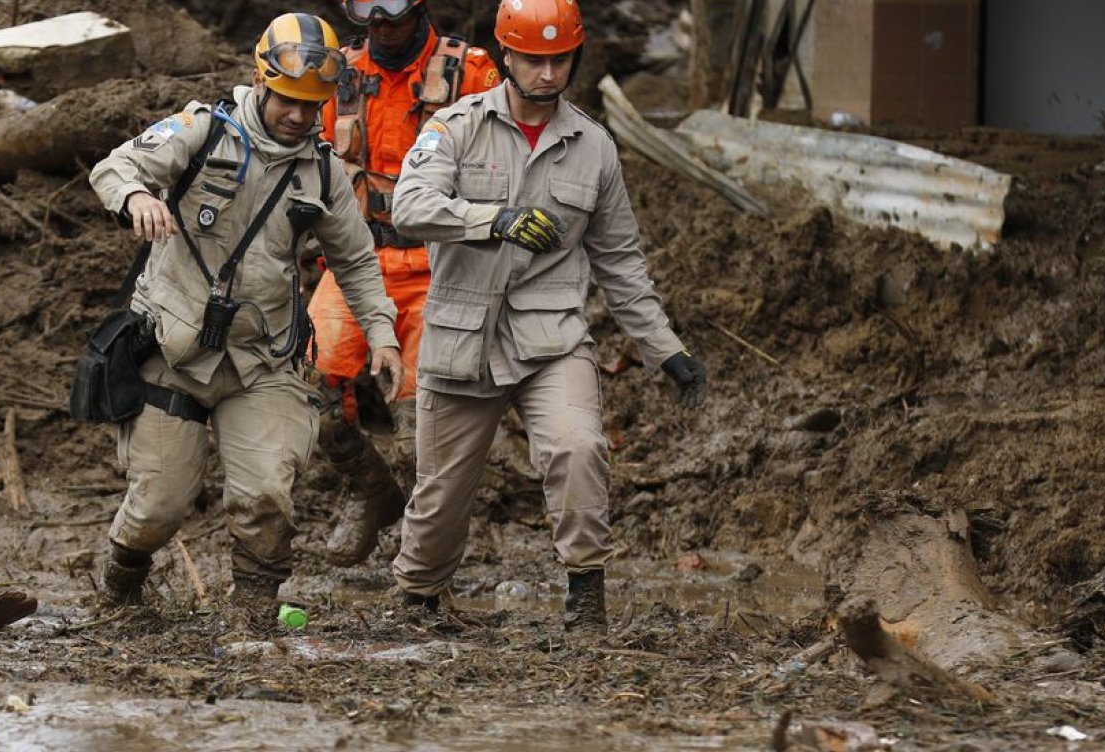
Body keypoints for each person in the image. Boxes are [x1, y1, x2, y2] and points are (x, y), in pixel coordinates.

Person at [387, 0, 709, 634]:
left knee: (579, 447)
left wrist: (665, 348)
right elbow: (409, 206)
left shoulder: (594, 147)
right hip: (462, 337)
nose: (547, 72)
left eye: (559, 58)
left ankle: (586, 598)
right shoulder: (455, 128)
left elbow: (620, 261)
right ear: (507, 55)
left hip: (550, 336)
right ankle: (419, 600)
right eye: (533, 58)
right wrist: (491, 220)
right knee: (441, 493)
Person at [87, 12, 404, 625]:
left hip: (262, 356)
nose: (299, 116)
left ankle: (254, 616)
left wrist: (384, 337)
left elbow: (358, 262)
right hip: (173, 353)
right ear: (261, 82)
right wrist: (137, 198)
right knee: (158, 505)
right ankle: (121, 586)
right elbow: (114, 167)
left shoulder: (323, 170)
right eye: (288, 100)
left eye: (313, 106)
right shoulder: (203, 131)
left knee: (265, 492)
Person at [310, 0, 500, 567]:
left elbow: (508, 162)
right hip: (356, 262)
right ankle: (369, 491)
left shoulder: (470, 73)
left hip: (442, 266)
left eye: (392, 7)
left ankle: (425, 549)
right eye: (366, 7)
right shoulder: (335, 74)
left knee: (426, 424)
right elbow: (298, 155)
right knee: (306, 394)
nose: (380, 20)